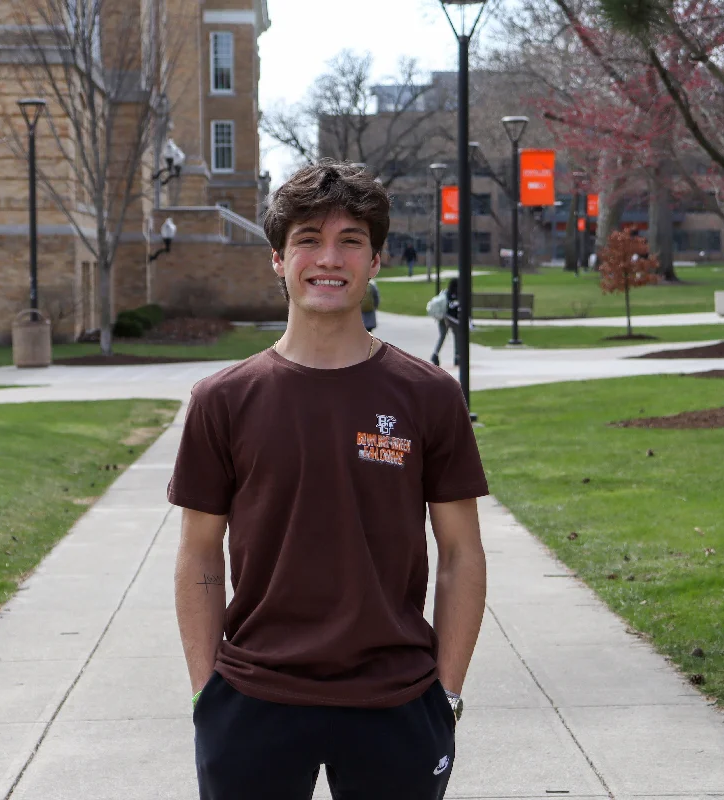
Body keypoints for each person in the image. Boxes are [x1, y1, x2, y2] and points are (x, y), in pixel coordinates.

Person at [169, 160, 488, 800]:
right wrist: (207, 692)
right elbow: (200, 553)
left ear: (376, 261)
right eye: (308, 239)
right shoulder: (222, 400)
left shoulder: (428, 396)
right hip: (255, 697)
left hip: (396, 698)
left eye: (351, 241)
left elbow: (460, 553)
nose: (328, 258)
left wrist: (446, 694)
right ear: (278, 261)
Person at [431, 278, 460, 368]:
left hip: (442, 317)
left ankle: (435, 354)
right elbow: (455, 310)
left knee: (442, 336)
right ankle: (457, 356)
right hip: (451, 319)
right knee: (457, 335)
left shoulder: (446, 293)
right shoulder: (456, 295)